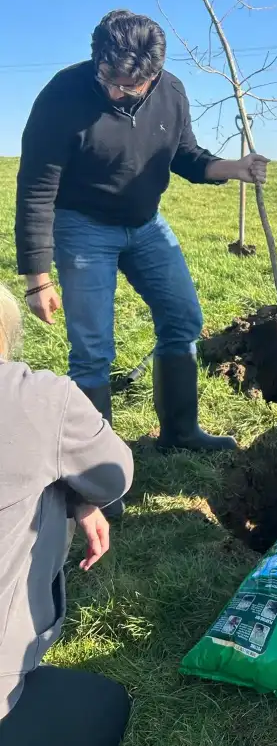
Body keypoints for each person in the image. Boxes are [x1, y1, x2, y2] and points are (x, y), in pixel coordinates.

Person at [15, 9, 269, 452]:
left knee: (183, 319)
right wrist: (38, 278)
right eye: (108, 78)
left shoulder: (171, 91)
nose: (117, 92)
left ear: (153, 75)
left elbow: (185, 155)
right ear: (97, 58)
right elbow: (36, 187)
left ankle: (180, 433)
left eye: (130, 86)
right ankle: (96, 465)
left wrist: (235, 168)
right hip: (82, 227)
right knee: (92, 350)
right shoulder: (62, 95)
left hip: (146, 224)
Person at [0, 284, 135, 746]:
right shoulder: (35, 398)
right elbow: (113, 475)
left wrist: (76, 498)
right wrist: (79, 491)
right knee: (105, 705)